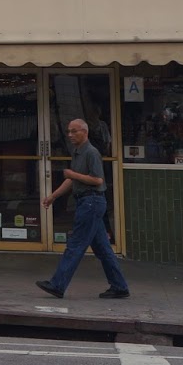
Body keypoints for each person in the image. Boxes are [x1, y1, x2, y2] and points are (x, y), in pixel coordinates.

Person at [35, 119, 129, 300]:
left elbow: (98, 180)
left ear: (84, 132)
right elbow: (71, 181)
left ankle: (57, 285)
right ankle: (119, 286)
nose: (70, 135)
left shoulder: (92, 152)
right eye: (69, 131)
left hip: (91, 202)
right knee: (103, 249)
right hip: (87, 202)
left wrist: (72, 174)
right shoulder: (77, 152)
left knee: (75, 245)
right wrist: (53, 197)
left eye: (74, 131)